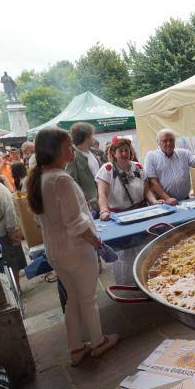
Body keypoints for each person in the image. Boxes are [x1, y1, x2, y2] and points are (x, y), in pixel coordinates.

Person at [26, 127, 119, 366]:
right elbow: (75, 222)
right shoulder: (60, 178)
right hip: (76, 250)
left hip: (56, 252)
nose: (71, 150)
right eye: (67, 147)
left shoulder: (40, 178)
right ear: (55, 150)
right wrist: (97, 243)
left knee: (74, 300)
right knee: (87, 299)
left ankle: (76, 348)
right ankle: (98, 342)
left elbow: (42, 220)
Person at [96, 137, 160, 286]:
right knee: (125, 253)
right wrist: (104, 210)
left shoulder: (137, 167)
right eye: (121, 151)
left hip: (141, 213)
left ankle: (147, 278)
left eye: (127, 150)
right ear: (113, 152)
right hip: (119, 217)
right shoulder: (107, 169)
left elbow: (146, 191)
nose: (124, 153)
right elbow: (102, 194)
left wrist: (155, 202)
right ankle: (128, 283)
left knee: (144, 246)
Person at [144, 128, 195, 205]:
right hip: (164, 202)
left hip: (185, 200)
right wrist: (167, 198)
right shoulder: (151, 156)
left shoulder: (184, 153)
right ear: (158, 142)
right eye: (165, 141)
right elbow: (153, 182)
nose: (168, 143)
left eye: (171, 140)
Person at [66, 122, 100, 212]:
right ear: (86, 137)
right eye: (92, 135)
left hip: (101, 200)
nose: (94, 137)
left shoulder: (93, 152)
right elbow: (72, 183)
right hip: (91, 205)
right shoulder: (73, 156)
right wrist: (85, 201)